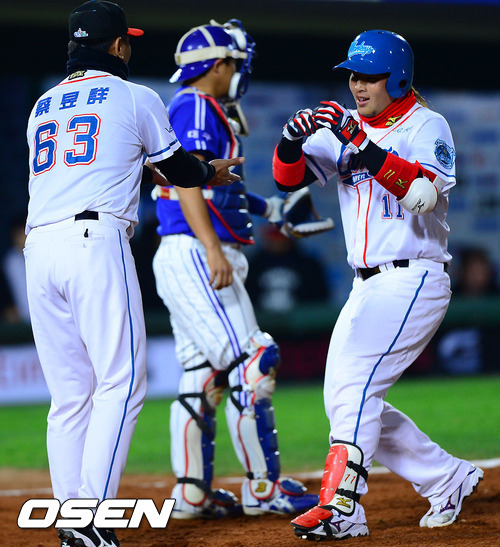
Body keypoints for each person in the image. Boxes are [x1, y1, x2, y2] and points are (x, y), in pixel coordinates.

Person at [25, 3, 242, 546]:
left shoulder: (42, 104)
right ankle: (90, 518)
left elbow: (98, 164)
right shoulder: (135, 95)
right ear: (118, 46)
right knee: (121, 383)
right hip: (94, 243)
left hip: (39, 249)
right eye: (128, 41)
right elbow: (178, 168)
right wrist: (208, 169)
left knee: (69, 396)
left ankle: (71, 516)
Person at [272, 29, 483, 541]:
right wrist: (289, 141)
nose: (357, 85)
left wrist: (361, 144)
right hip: (365, 284)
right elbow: (287, 181)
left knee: (355, 390)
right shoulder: (344, 127)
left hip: (415, 275)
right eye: (352, 76)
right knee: (345, 398)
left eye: (369, 76)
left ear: (399, 78)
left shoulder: (426, 124)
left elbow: (422, 198)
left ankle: (341, 507)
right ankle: (446, 476)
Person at [152, 20, 318, 519]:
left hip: (186, 251)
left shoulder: (197, 107)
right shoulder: (196, 107)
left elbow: (215, 184)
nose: (241, 72)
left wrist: (271, 210)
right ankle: (263, 488)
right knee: (255, 361)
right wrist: (212, 248)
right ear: (219, 64)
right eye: (237, 63)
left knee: (203, 374)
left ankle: (191, 494)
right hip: (197, 250)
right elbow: (187, 183)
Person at [246, 224, 331, 313]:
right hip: (262, 319)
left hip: (301, 319)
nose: (277, 242)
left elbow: (320, 300)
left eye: (281, 238)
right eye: (274, 238)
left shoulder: (308, 265)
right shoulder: (254, 265)